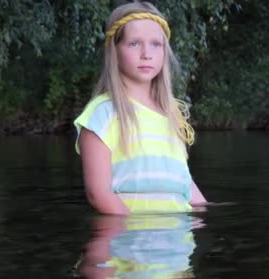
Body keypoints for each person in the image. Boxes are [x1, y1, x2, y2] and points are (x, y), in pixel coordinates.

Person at [74, 1, 206, 215]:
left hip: (178, 242)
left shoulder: (172, 114)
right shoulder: (102, 114)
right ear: (114, 51)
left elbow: (182, 181)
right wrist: (137, 231)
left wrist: (209, 217)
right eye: (134, 43)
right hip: (129, 243)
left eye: (156, 44)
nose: (147, 53)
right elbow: (99, 195)